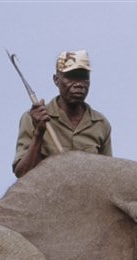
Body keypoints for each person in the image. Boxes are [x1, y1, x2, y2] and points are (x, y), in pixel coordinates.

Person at [12, 50, 112, 178]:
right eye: (71, 77)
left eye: (84, 77)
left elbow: (108, 176)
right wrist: (39, 133)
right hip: (47, 195)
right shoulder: (33, 118)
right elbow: (22, 173)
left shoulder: (100, 123)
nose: (79, 84)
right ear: (56, 80)